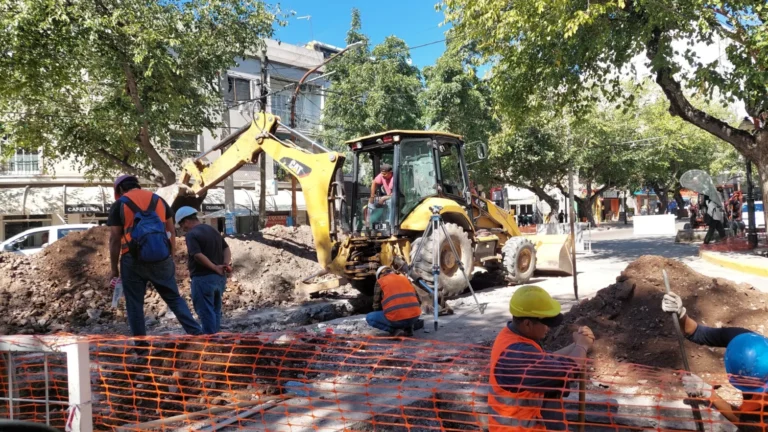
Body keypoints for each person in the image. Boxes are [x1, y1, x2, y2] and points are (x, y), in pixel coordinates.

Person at [488, 286, 594, 431]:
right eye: (545, 323)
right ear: (527, 323)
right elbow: (567, 371)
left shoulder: (512, 338)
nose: (548, 328)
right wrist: (582, 346)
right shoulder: (518, 354)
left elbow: (546, 360)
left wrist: (575, 345)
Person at [107, 175, 202, 337]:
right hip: (161, 258)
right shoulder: (159, 201)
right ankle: (197, 334)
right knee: (174, 298)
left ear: (120, 190)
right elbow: (171, 232)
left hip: (132, 260)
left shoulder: (120, 204)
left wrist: (114, 270)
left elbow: (115, 239)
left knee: (134, 305)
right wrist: (170, 257)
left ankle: (141, 347)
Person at [662, 292, 768, 430]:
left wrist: (708, 394)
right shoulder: (745, 342)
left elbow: (747, 424)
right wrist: (681, 314)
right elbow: (696, 333)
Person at [176, 206, 231, 334]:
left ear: (186, 221)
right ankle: (216, 339)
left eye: (181, 224)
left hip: (203, 279)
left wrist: (214, 267)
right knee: (215, 310)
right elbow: (226, 248)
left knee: (206, 312)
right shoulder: (213, 230)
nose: (182, 228)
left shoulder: (192, 234)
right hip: (219, 279)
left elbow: (197, 255)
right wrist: (225, 264)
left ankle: (210, 344)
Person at [366, 264, 423, 337]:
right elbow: (418, 300)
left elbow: (376, 305)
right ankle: (408, 329)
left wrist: (383, 312)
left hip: (397, 320)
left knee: (370, 317)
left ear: (380, 275)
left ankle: (395, 331)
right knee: (405, 308)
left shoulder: (380, 281)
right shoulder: (405, 278)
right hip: (414, 317)